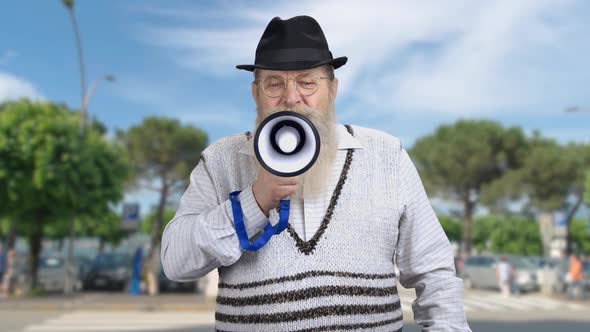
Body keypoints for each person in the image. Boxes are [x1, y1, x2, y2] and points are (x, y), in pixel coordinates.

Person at [161, 15, 471, 331]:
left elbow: (435, 274)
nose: (292, 97)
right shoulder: (220, 160)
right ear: (255, 93)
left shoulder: (386, 154)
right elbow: (176, 262)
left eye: (307, 82)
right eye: (274, 83)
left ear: (332, 89)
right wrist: (253, 202)